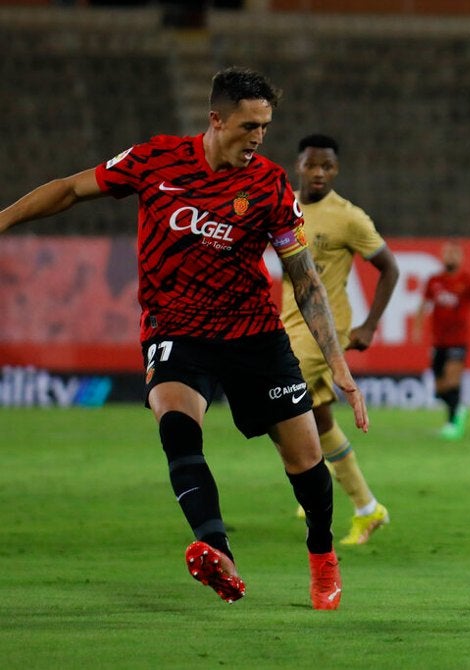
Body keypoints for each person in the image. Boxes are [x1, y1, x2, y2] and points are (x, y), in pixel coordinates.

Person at [0, 67, 367, 610]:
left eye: (264, 127)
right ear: (216, 120)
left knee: (305, 459)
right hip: (177, 328)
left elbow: (305, 278)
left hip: (252, 333)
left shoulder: (268, 185)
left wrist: (337, 364)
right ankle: (218, 553)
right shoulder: (155, 160)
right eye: (247, 126)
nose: (258, 138)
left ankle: (322, 555)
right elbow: (73, 189)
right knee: (176, 425)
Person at [283, 133, 398, 545]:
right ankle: (368, 509)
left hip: (322, 331)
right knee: (318, 419)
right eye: (311, 165)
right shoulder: (283, 206)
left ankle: (310, 481)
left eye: (327, 166)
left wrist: (369, 325)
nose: (318, 173)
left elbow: (390, 268)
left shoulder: (348, 217)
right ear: (298, 165)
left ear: (336, 170)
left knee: (274, 400)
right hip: (286, 322)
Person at [411, 241, 470, 440]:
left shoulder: (468, 281)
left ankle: (452, 424)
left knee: (452, 379)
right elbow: (423, 305)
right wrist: (417, 327)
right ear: (442, 256)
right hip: (439, 341)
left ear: (461, 257)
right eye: (447, 253)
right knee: (440, 389)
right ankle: (458, 409)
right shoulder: (434, 281)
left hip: (459, 339)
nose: (450, 257)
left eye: (454, 253)